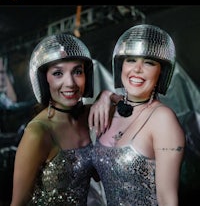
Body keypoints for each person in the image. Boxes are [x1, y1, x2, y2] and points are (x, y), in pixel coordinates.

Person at [89, 24, 185, 205]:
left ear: (161, 73)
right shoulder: (111, 110)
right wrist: (105, 95)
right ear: (121, 66)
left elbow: (168, 200)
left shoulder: (162, 119)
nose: (137, 69)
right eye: (131, 60)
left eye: (149, 62)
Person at [10, 33, 104, 206]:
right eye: (58, 73)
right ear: (43, 79)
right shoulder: (37, 132)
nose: (70, 83)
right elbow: (18, 203)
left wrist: (105, 96)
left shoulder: (88, 115)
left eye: (77, 71)